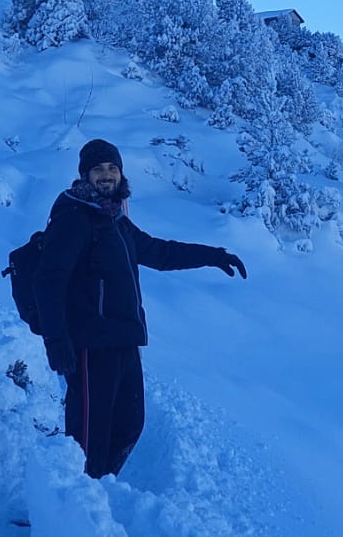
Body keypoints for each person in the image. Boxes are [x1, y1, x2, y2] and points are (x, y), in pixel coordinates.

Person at [33, 138, 246, 478]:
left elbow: (161, 253)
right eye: (98, 169)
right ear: (85, 175)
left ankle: (95, 491)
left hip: (124, 340)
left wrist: (213, 255)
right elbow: (49, 281)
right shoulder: (75, 218)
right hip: (90, 345)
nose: (106, 175)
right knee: (87, 437)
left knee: (130, 425)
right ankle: (66, 512)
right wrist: (56, 341)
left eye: (112, 168)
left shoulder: (115, 219)